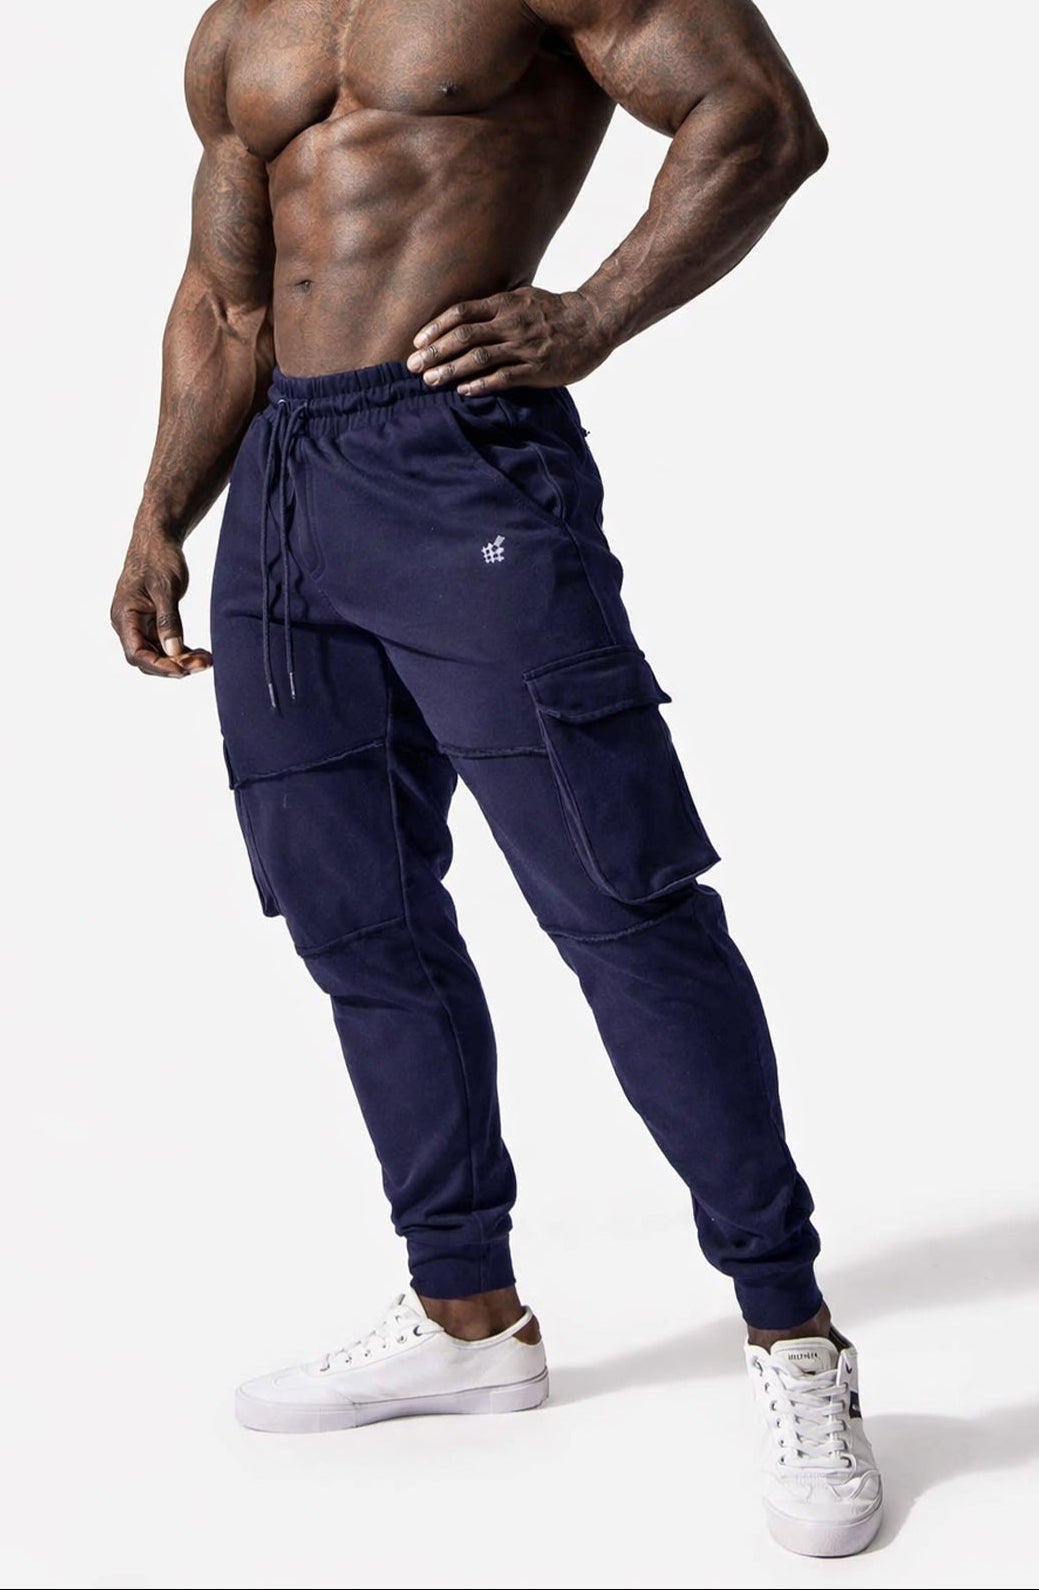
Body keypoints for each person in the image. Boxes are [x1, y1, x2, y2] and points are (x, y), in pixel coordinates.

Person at [111, 0, 882, 1558]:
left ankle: (792, 1330)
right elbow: (225, 294)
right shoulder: (241, 27)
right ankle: (465, 1311)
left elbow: (758, 121)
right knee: (356, 918)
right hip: (281, 495)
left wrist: (589, 316)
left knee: (622, 901)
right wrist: (158, 514)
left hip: (458, 458)